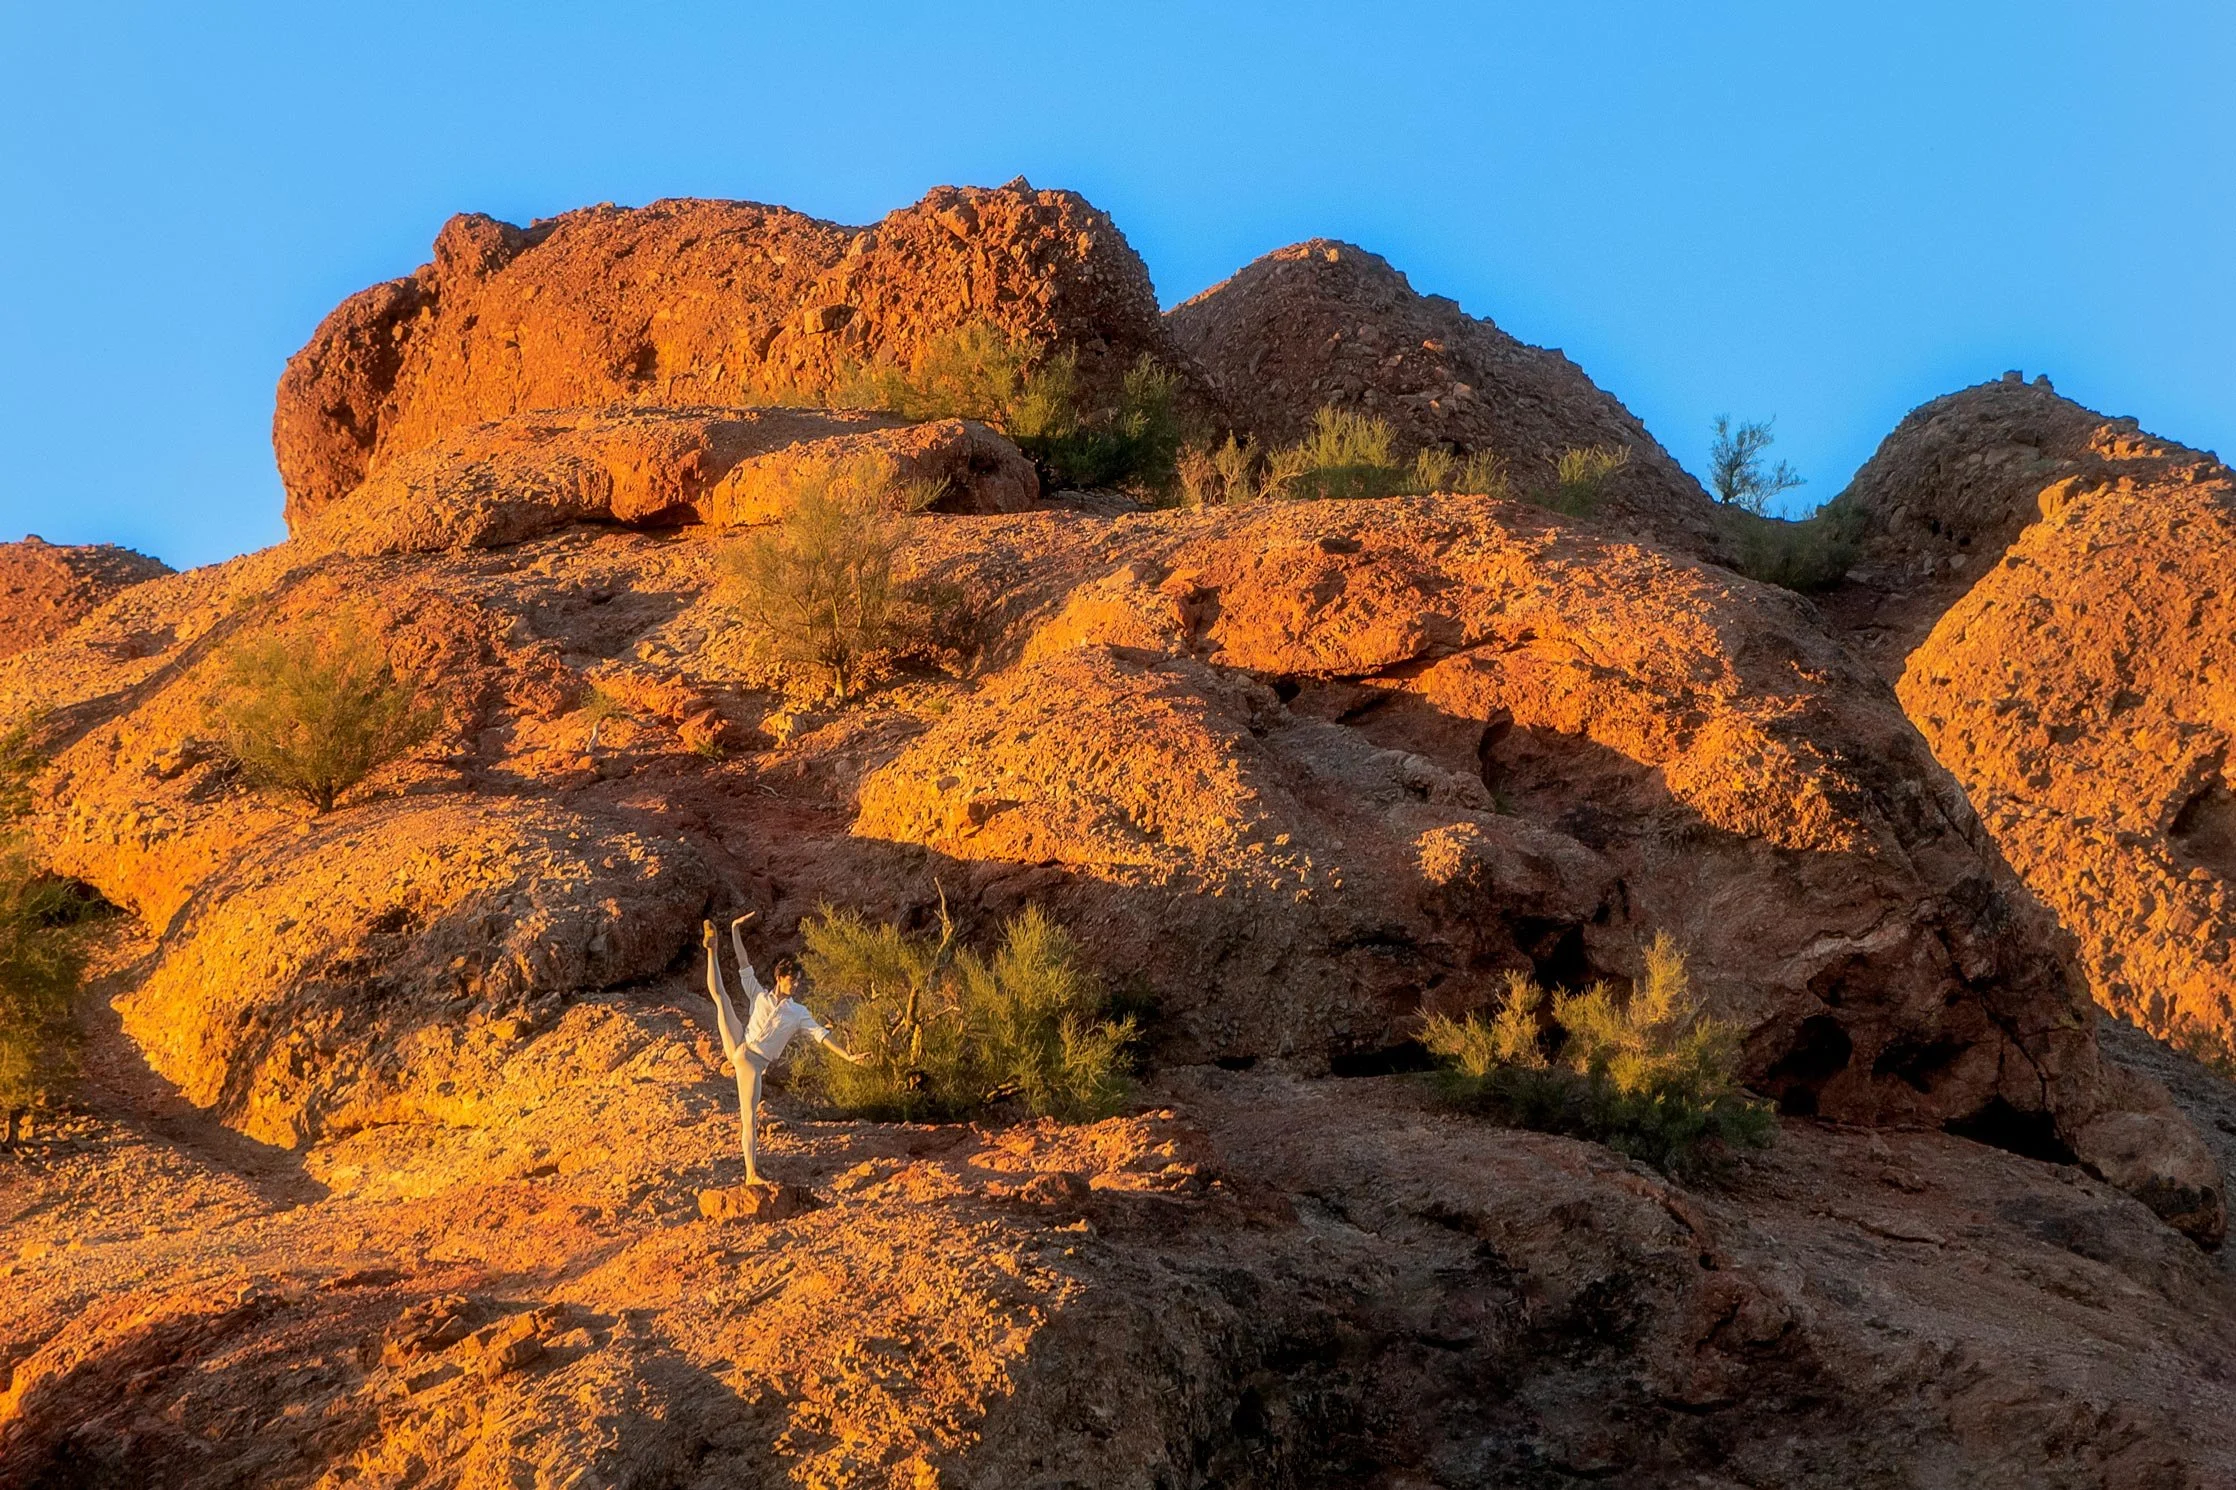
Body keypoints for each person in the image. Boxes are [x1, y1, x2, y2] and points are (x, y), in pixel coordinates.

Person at [701, 913, 861, 1185]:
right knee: (722, 998)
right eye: (792, 980)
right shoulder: (760, 994)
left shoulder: (798, 1013)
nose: (795, 985)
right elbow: (743, 963)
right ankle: (712, 950)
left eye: (797, 981)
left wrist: (847, 1055)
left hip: (753, 1063)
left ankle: (750, 1172)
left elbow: (821, 1035)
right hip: (741, 1044)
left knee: (748, 1118)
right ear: (779, 978)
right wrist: (735, 929)